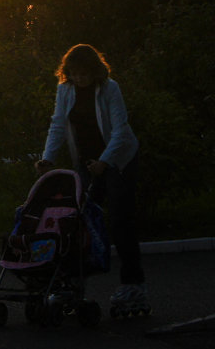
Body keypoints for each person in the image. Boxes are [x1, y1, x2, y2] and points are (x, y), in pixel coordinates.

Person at [35, 43, 148, 314]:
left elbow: (120, 130)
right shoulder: (65, 90)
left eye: (84, 73)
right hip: (87, 163)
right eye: (74, 73)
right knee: (79, 222)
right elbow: (58, 124)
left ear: (94, 71)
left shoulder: (110, 89)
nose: (79, 78)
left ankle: (133, 284)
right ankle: (73, 285)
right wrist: (47, 158)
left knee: (120, 221)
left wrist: (105, 162)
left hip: (118, 160)